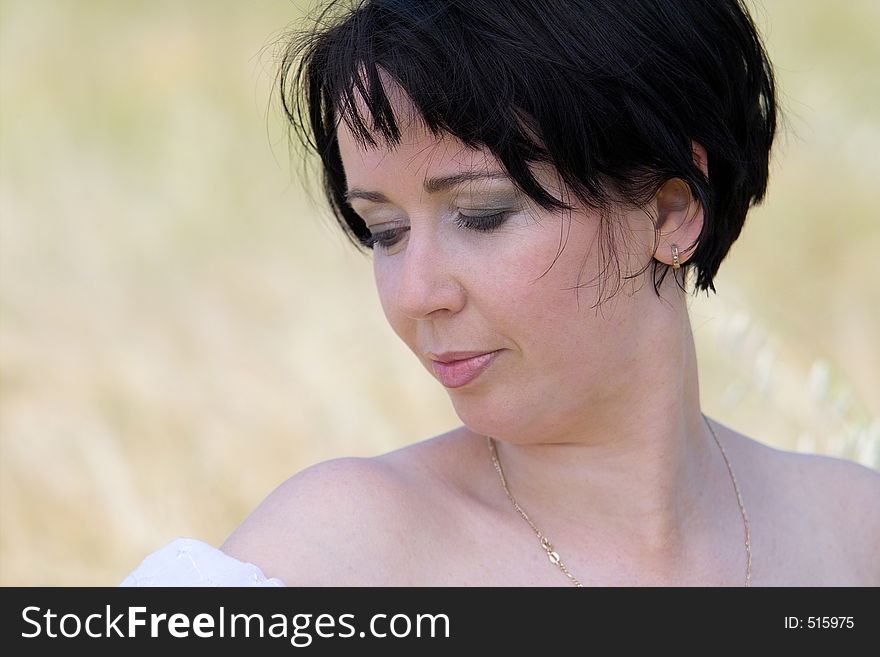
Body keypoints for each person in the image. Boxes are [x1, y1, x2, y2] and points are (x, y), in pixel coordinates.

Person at [121, 0, 880, 587]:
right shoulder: (338, 552)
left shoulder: (853, 531)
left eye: (481, 214)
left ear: (672, 211)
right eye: (383, 230)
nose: (416, 294)